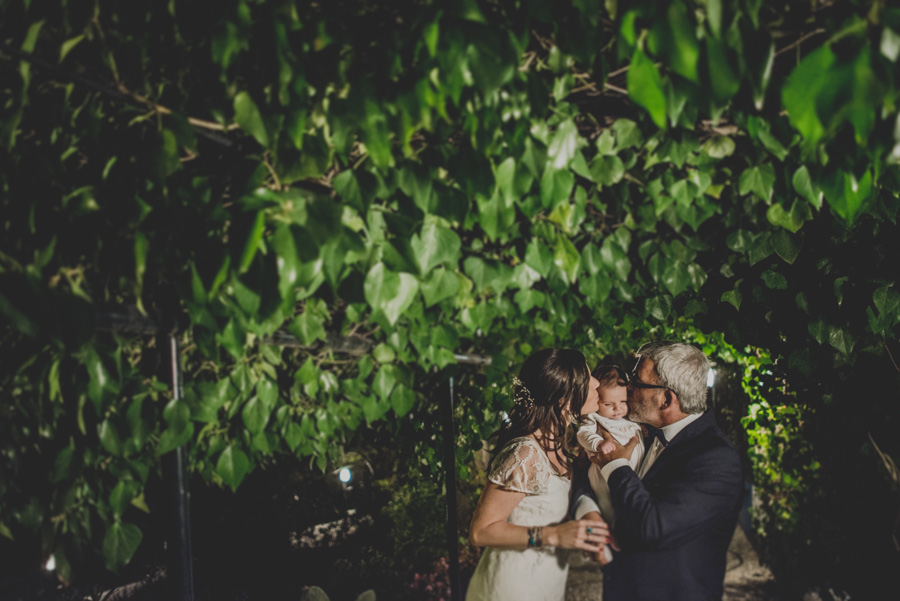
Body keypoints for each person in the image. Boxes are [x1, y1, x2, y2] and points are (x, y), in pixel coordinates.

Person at [572, 341, 744, 600]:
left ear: (666, 399)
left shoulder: (717, 459)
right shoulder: (643, 431)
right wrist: (589, 512)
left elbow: (654, 526)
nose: (627, 388)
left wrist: (616, 464)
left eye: (637, 383)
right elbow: (585, 470)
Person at [466, 348, 610, 601]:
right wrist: (555, 535)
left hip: (545, 583)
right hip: (511, 588)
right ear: (563, 400)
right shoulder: (525, 452)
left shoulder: (559, 447)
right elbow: (481, 531)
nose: (597, 382)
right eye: (587, 379)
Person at [573, 365, 645, 563]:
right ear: (597, 402)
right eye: (609, 404)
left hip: (633, 472)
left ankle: (619, 535)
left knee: (629, 502)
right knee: (608, 503)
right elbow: (583, 434)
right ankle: (607, 536)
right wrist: (598, 443)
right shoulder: (594, 419)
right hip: (603, 475)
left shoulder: (632, 421)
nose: (617, 408)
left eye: (623, 401)